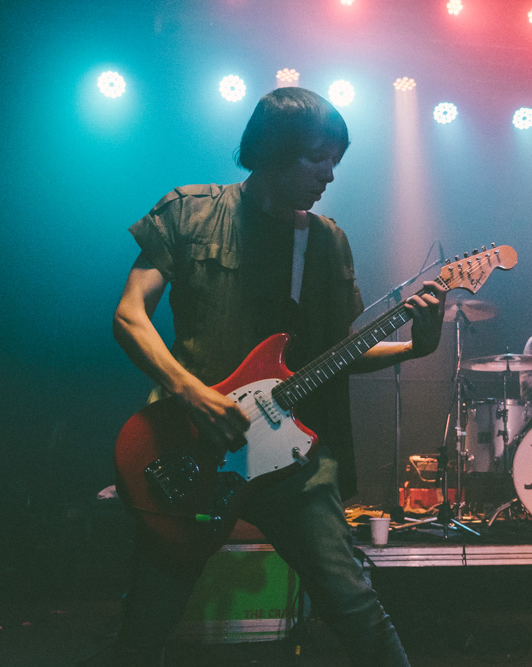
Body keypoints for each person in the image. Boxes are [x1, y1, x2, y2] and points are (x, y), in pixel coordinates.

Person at [111, 87, 445, 666]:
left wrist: (417, 348)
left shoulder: (326, 240)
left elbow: (338, 355)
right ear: (271, 149)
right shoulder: (189, 211)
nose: (329, 175)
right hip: (192, 446)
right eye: (318, 158)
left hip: (292, 460)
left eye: (335, 162)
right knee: (147, 622)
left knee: (354, 605)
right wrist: (192, 396)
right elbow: (128, 316)